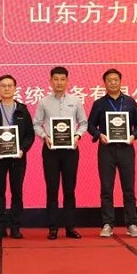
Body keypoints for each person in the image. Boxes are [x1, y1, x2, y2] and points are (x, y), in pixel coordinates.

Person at [87, 68, 137, 238]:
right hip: (106, 149)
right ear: (104, 83)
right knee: (106, 188)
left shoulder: (130, 102)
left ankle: (132, 224)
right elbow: (90, 125)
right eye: (109, 80)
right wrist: (99, 135)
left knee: (129, 188)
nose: (113, 83)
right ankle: (107, 223)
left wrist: (134, 135)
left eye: (115, 80)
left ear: (120, 81)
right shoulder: (99, 103)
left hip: (126, 149)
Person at [33, 66, 88, 240]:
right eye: (55, 79)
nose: (59, 82)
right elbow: (36, 124)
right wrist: (45, 137)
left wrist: (77, 135)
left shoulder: (76, 101)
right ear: (50, 81)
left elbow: (83, 123)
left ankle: (70, 227)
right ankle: (53, 228)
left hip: (71, 150)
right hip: (51, 150)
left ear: (67, 81)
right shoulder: (44, 102)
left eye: (62, 79)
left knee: (69, 189)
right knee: (52, 189)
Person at [0, 74, 35, 239]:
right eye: (3, 86)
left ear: (15, 89)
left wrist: (22, 149)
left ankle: (15, 227)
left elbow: (30, 134)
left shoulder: (22, 110)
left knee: (17, 192)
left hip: (18, 158)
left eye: (10, 85)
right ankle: (0, 227)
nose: (7, 88)